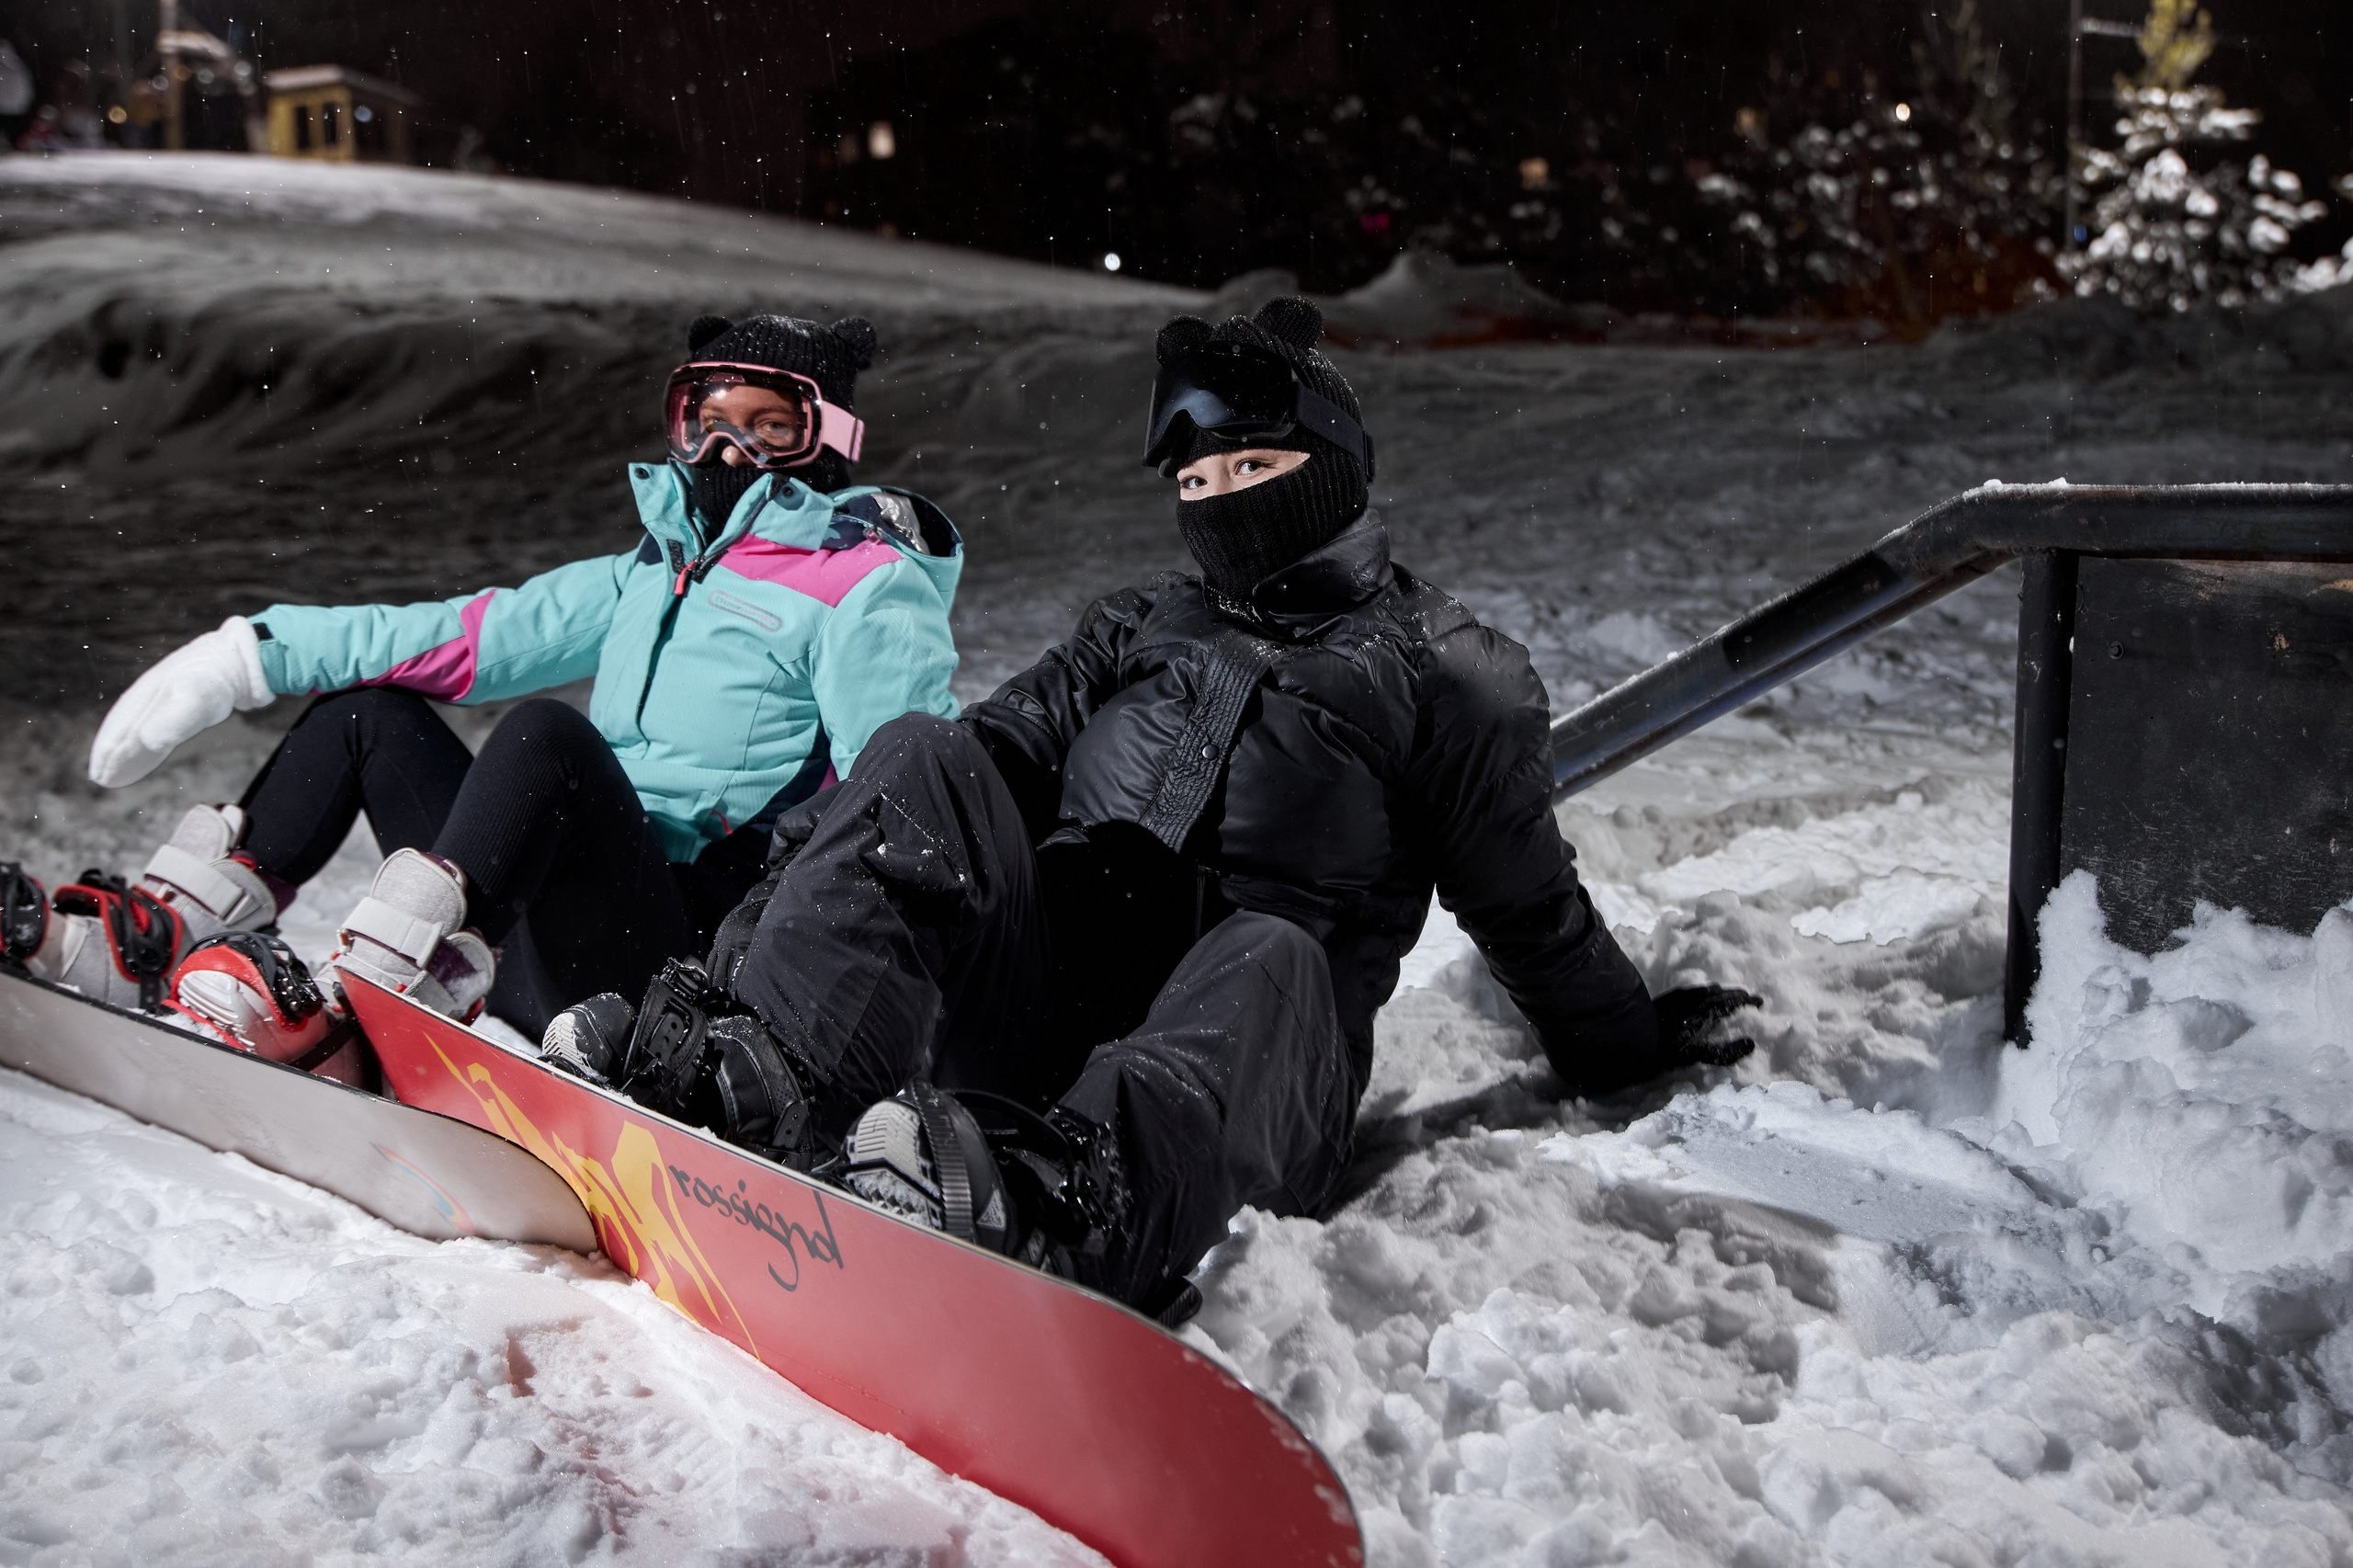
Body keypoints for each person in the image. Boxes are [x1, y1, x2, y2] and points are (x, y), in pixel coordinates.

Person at [549, 296, 1756, 1324]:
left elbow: (1527, 908)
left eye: (1253, 469)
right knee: (925, 750)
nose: (1221, 501)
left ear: (1333, 469)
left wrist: (1632, 1045)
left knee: (1271, 946)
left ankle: (1051, 1210)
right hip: (1039, 1016)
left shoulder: (1446, 671)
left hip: (1244, 1078)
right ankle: (753, 1086)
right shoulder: (1136, 625)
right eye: (1197, 477)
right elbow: (920, 793)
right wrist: (739, 962)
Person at [1, 313, 964, 1084]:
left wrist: (821, 1030)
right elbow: (462, 634)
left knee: (549, 738)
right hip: (531, 942)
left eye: (768, 424)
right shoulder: (651, 572)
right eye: (704, 416)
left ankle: (374, 1000)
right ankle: (155, 940)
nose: (725, 449)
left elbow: (896, 799)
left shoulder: (864, 586)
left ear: (828, 439)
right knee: (368, 712)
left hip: (673, 970)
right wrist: (251, 653)